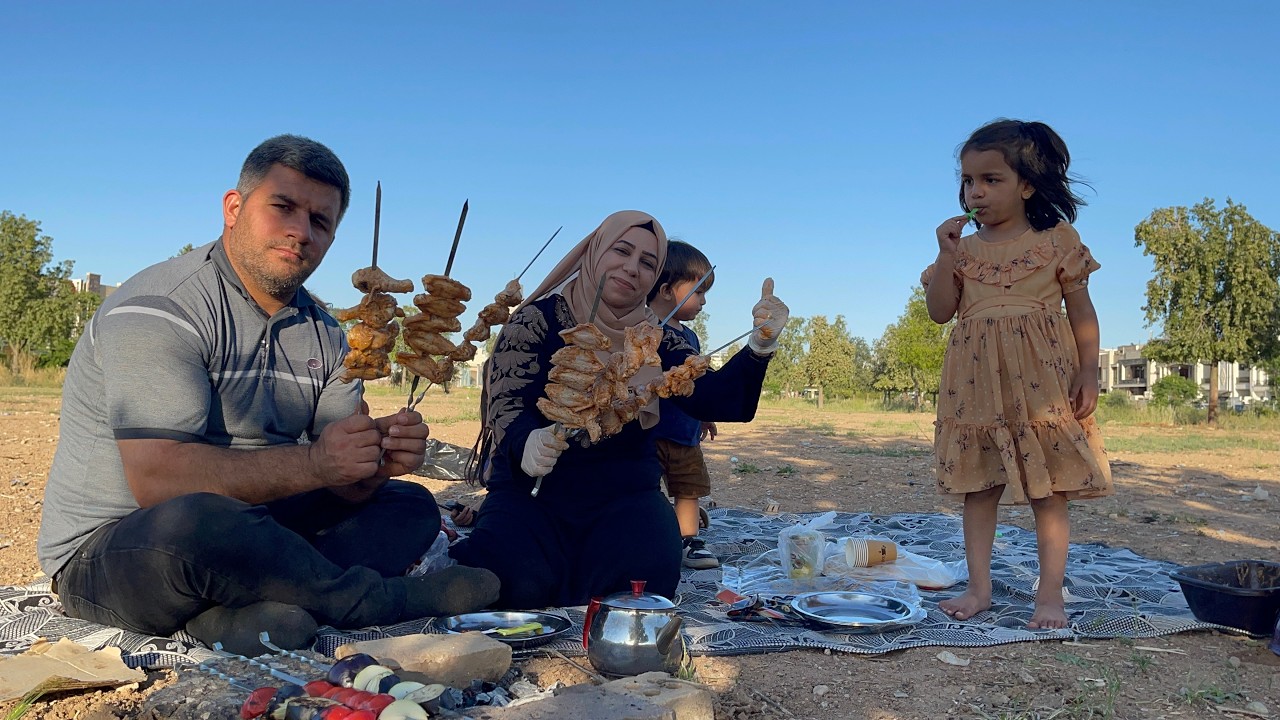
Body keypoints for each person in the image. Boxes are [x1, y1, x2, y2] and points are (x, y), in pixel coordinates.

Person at [36, 135, 498, 655]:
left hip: (260, 524)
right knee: (204, 524)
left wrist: (373, 463)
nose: (300, 232)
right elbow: (159, 480)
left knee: (409, 506)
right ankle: (377, 603)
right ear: (234, 208)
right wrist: (320, 464)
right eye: (283, 207)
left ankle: (235, 616)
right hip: (125, 544)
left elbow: (342, 485)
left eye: (320, 221)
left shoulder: (327, 332)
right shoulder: (160, 306)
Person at [449, 210, 788, 609]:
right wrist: (528, 441)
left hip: (622, 495)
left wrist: (759, 347)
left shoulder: (654, 338)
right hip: (534, 493)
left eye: (647, 262)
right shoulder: (535, 319)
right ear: (594, 252)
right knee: (513, 579)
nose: (632, 268)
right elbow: (507, 398)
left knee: (647, 576)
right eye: (621, 251)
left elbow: (713, 396)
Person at [922, 119, 1112, 630]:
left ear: (1027, 185)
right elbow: (941, 312)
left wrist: (1090, 370)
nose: (975, 191)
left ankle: (1050, 595)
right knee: (979, 487)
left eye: (991, 179)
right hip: (976, 385)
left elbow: (1082, 312)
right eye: (967, 180)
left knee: (1049, 491)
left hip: (1043, 386)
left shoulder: (1056, 241)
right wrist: (945, 257)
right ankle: (979, 588)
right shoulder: (960, 250)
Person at [646, 240, 720, 569]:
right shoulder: (643, 331)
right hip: (648, 433)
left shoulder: (691, 339)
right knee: (646, 486)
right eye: (699, 292)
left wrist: (704, 416)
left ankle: (687, 541)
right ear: (665, 290)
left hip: (685, 434)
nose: (704, 301)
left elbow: (696, 386)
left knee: (688, 487)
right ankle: (655, 531)